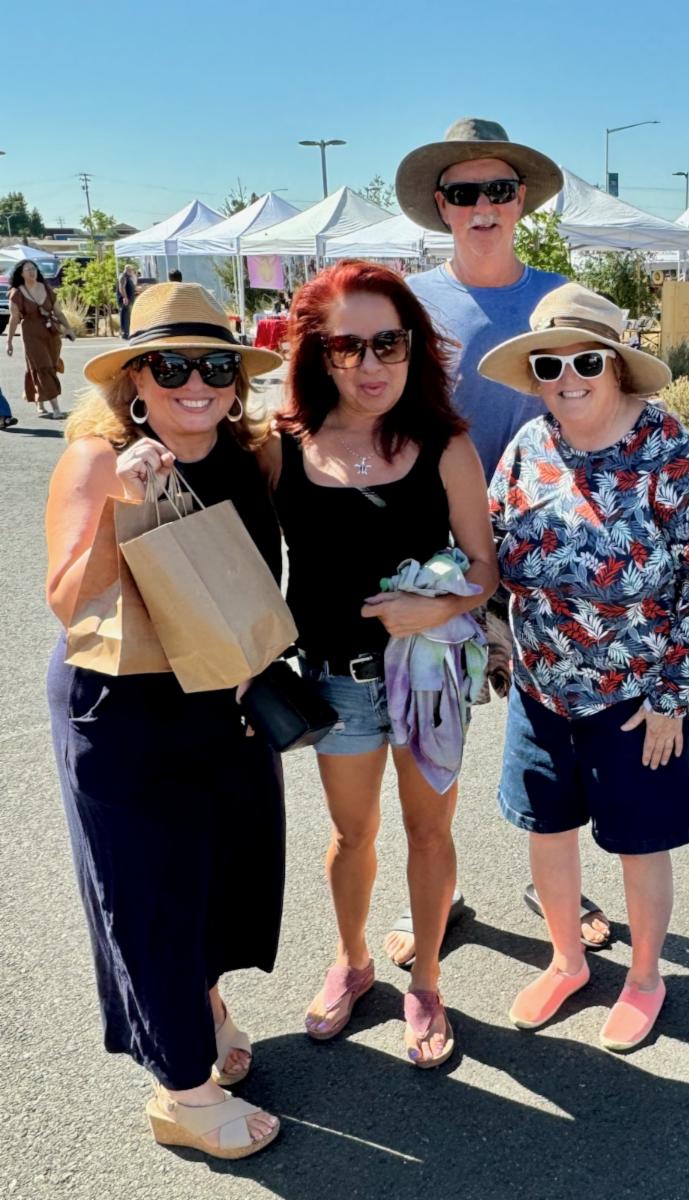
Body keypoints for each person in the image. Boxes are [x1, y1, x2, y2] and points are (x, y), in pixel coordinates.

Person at [44, 283, 287, 1159]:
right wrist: (118, 502)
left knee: (220, 876)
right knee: (147, 892)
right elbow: (68, 604)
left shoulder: (252, 452)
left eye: (216, 364)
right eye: (173, 364)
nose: (198, 383)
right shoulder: (95, 456)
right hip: (125, 713)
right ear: (134, 378)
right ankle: (180, 1090)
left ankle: (205, 1003)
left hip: (221, 703)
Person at [263, 259, 498, 1068]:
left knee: (428, 833)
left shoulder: (444, 446)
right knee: (350, 835)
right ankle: (355, 960)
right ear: (317, 354)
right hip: (336, 682)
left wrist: (435, 608)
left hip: (429, 680)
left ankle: (425, 980)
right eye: (347, 347)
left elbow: (484, 569)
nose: (370, 366)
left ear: (414, 346)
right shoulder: (281, 448)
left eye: (388, 344)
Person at [481, 283, 689, 1050]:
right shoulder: (529, 446)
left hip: (635, 698)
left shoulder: (663, 447)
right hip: (541, 687)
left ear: (616, 366)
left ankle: (646, 977)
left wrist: (672, 695)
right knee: (547, 832)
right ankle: (567, 959)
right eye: (548, 365)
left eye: (585, 360)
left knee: (637, 840)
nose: (566, 378)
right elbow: (492, 552)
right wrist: (488, 635)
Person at [394, 116, 613, 962]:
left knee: (560, 729)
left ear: (521, 200)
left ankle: (559, 884)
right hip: (442, 553)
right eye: (464, 192)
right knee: (436, 731)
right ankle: (437, 897)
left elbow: (610, 405)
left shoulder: (559, 299)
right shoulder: (410, 303)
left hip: (551, 558)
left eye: (498, 189)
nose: (483, 205)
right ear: (441, 207)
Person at [5, 259, 66, 418]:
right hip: (31, 334)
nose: (32, 272)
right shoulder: (17, 293)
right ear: (21, 274)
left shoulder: (46, 288)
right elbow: (14, 319)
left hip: (50, 334)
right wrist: (9, 341)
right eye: (28, 269)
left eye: (34, 268)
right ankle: (56, 409)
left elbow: (58, 312)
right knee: (43, 366)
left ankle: (40, 400)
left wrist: (68, 329)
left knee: (49, 367)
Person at [117, 263, 138, 339]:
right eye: (131, 270)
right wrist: (125, 297)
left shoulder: (128, 277)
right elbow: (121, 288)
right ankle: (125, 333)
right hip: (125, 300)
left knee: (127, 316)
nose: (132, 271)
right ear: (128, 270)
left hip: (129, 299)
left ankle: (127, 332)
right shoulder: (123, 276)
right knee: (125, 316)